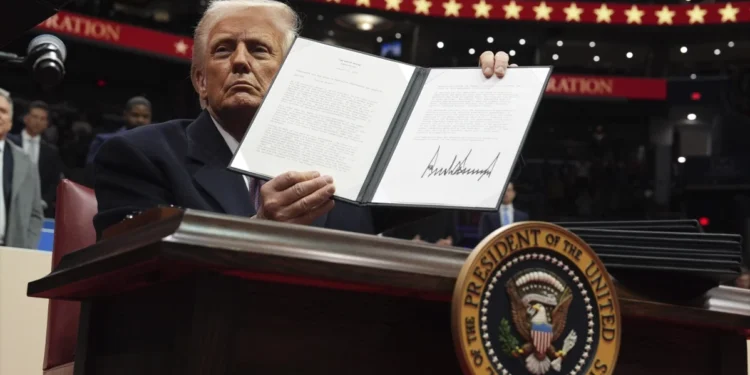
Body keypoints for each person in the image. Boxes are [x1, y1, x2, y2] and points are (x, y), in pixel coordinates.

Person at [92, 0, 516, 238]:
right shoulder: (138, 156)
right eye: (223, 50)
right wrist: (261, 230)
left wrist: (488, 98)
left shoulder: (354, 164)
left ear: (294, 74)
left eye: (258, 50)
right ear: (200, 81)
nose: (240, 61)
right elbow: (131, 277)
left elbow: (450, 177)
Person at [0, 88, 43, 248]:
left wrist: (26, 248)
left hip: (11, 252)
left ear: (10, 123)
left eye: (3, 111)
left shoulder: (25, 161)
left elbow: (35, 213)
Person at [7, 100, 64, 218]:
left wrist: (44, 201)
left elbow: (54, 182)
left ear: (47, 124)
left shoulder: (51, 151)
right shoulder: (9, 142)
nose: (38, 122)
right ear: (26, 118)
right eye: (34, 117)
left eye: (42, 119)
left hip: (38, 209)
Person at [86, 96, 152, 164]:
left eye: (145, 116)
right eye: (135, 115)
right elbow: (92, 169)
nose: (140, 120)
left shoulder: (156, 143)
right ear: (125, 115)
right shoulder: (103, 141)